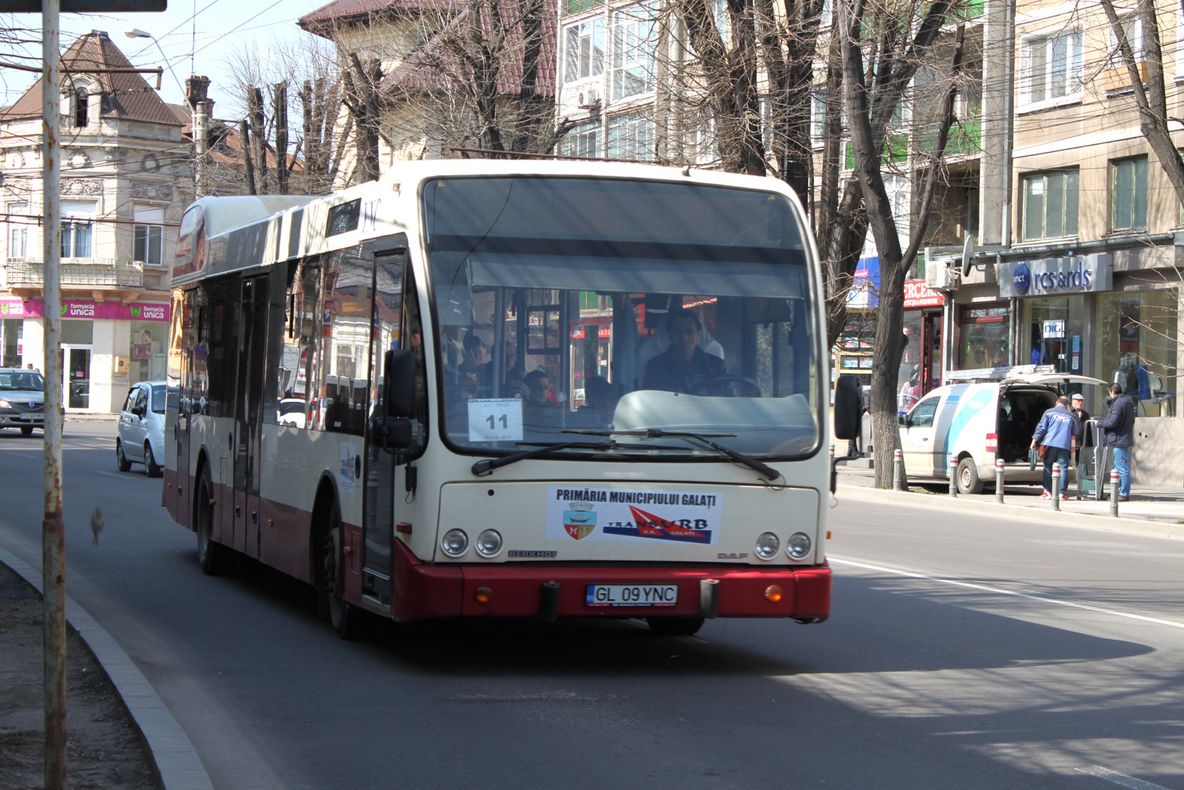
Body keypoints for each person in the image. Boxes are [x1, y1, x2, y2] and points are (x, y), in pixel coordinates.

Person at [642, 310, 724, 393]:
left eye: (689, 332)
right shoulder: (656, 367)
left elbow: (727, 397)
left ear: (698, 335)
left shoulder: (717, 365)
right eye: (678, 332)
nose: (684, 338)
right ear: (670, 335)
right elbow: (651, 401)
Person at [1031, 395, 1079, 500]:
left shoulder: (1049, 412)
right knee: (1063, 468)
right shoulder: (1071, 416)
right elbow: (1076, 431)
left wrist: (1034, 440)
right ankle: (1062, 493)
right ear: (1067, 405)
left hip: (1050, 444)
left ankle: (1047, 492)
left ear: (1057, 402)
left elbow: (1041, 428)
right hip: (1064, 445)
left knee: (1047, 467)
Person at [1099, 382, 1136, 501]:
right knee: (1118, 467)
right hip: (1122, 438)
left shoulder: (1118, 403)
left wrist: (1099, 423)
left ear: (1112, 392)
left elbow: (1112, 422)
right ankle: (1118, 491)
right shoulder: (1128, 402)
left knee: (1121, 467)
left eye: (1109, 393)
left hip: (1119, 439)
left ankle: (1124, 493)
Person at [1069, 392, 1094, 470]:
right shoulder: (1069, 412)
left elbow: (1088, 429)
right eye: (1078, 401)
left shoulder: (1085, 414)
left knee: (1080, 463)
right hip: (1071, 443)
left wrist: (1089, 444)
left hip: (1082, 444)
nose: (1080, 403)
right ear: (1073, 402)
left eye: (1081, 401)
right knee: (1070, 463)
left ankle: (1078, 480)